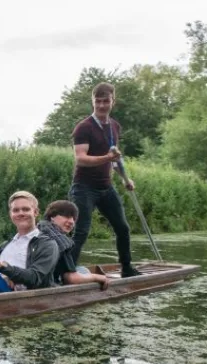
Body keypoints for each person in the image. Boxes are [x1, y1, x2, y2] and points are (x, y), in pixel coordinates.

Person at [69, 82, 141, 278]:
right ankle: (66, 272)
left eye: (105, 101)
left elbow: (115, 157)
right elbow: (81, 159)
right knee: (81, 231)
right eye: (97, 101)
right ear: (92, 101)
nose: (101, 105)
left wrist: (126, 178)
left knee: (123, 228)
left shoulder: (114, 126)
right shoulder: (83, 127)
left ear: (113, 101)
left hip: (106, 187)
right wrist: (107, 158)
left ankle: (127, 269)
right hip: (84, 187)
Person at [38, 200, 110, 289]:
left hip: (33, 280)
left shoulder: (37, 230)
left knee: (79, 268)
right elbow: (71, 279)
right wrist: (99, 277)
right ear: (52, 217)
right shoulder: (59, 240)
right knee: (84, 270)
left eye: (74, 218)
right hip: (48, 285)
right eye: (67, 216)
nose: (72, 221)